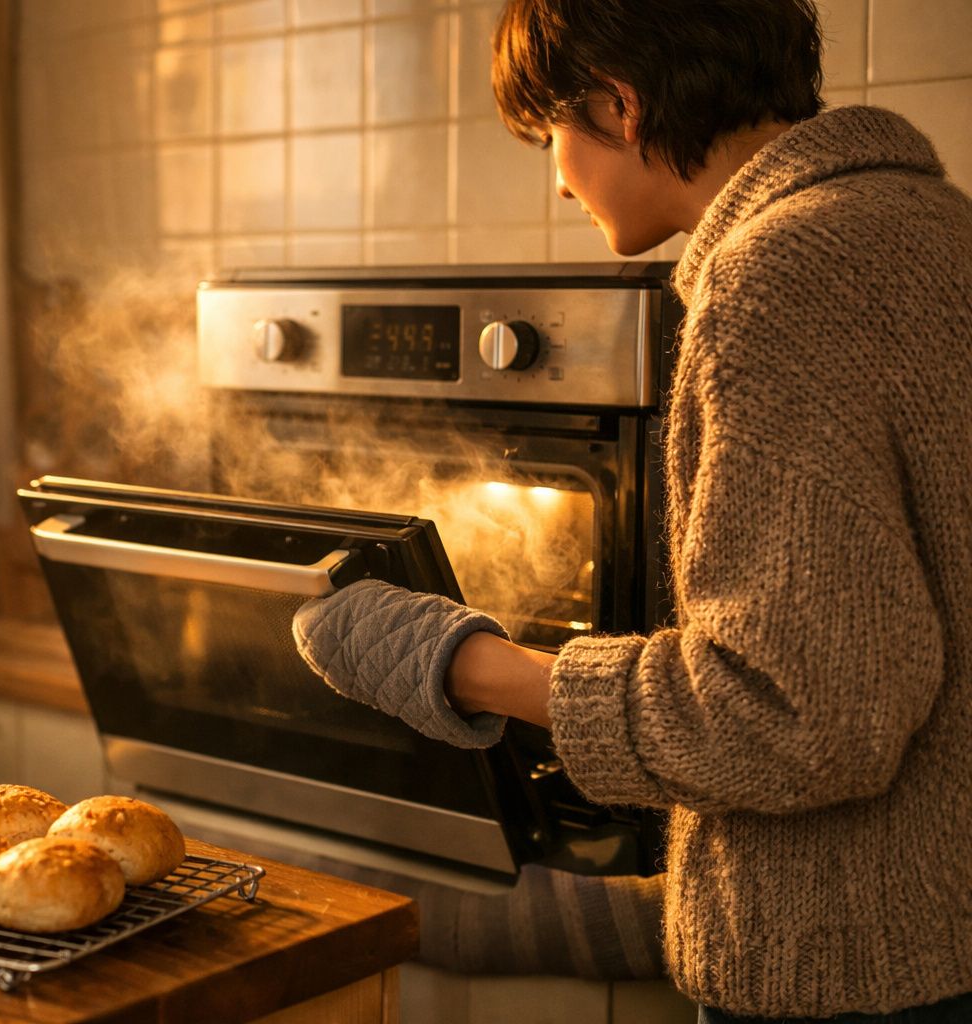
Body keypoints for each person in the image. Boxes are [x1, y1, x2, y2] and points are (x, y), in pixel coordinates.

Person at [291, 0, 972, 1021]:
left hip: (853, 989)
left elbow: (802, 715)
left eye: (550, 137)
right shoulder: (936, 228)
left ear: (622, 105)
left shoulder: (775, 276)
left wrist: (458, 661)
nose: (558, 177)